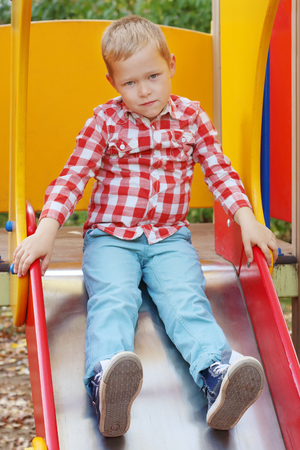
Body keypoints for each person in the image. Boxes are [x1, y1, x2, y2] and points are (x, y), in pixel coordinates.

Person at [13, 15, 278, 438]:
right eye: (130, 83)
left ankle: (216, 373)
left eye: (153, 76)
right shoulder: (105, 122)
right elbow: (73, 177)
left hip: (169, 238)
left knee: (184, 299)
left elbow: (219, 171)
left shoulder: (191, 117)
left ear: (171, 64)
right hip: (111, 239)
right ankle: (106, 379)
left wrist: (247, 219)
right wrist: (46, 229)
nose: (144, 91)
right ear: (112, 82)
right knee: (114, 299)